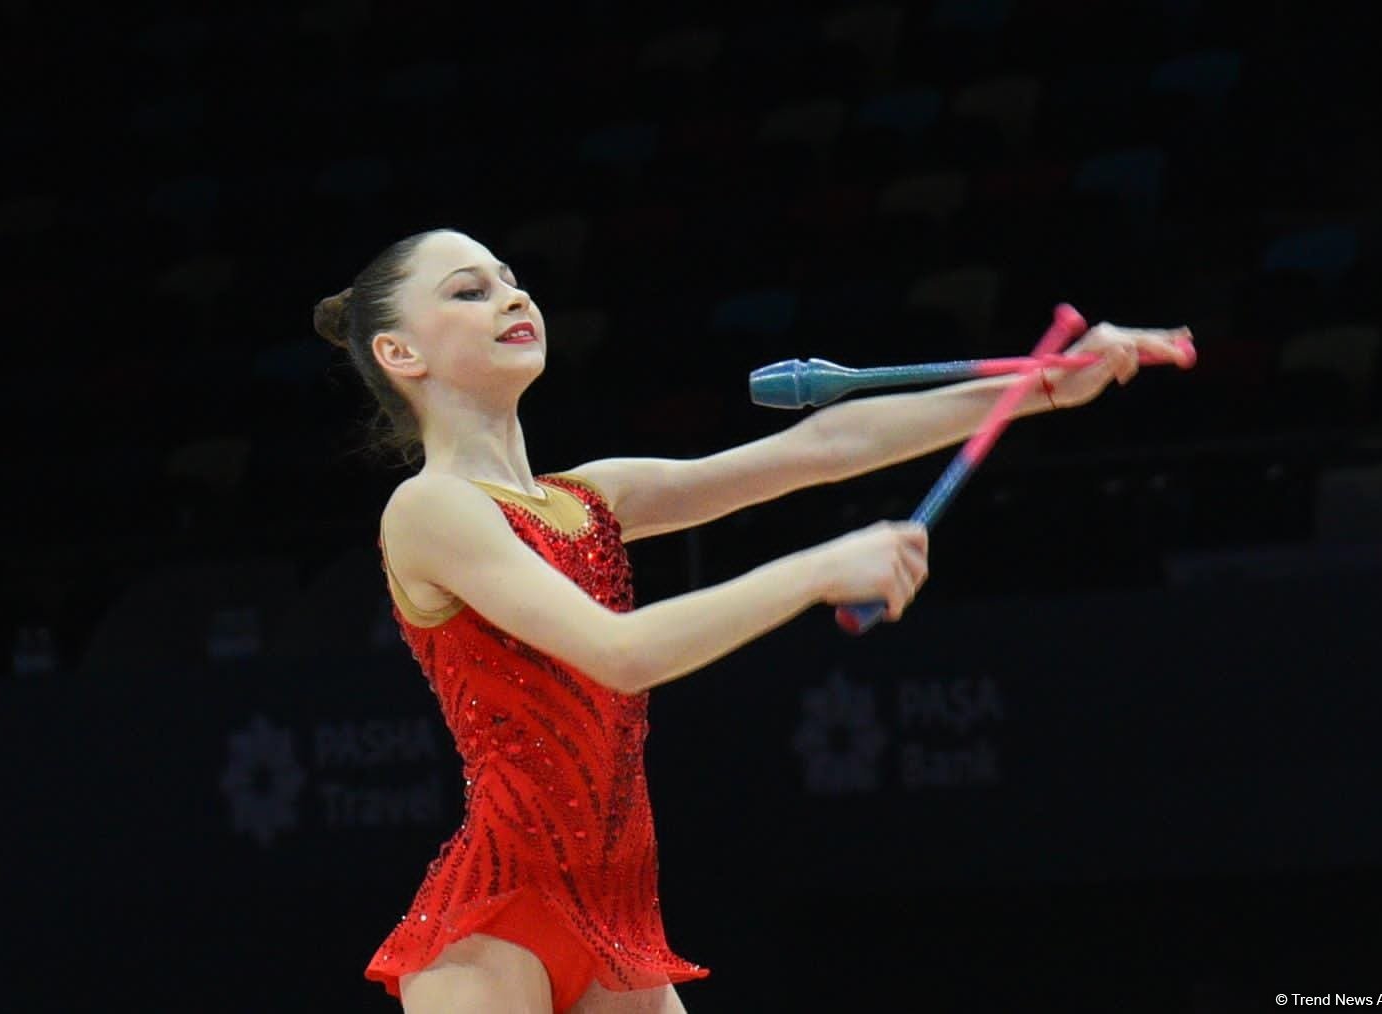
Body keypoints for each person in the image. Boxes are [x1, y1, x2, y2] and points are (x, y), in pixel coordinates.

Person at [313, 227, 1194, 1014]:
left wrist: (1047, 386)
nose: (511, 296)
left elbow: (819, 448)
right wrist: (817, 570)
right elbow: (621, 653)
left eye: (511, 279)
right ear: (398, 352)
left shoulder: (590, 498)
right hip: (498, 918)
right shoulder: (428, 509)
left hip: (618, 913)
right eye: (469, 290)